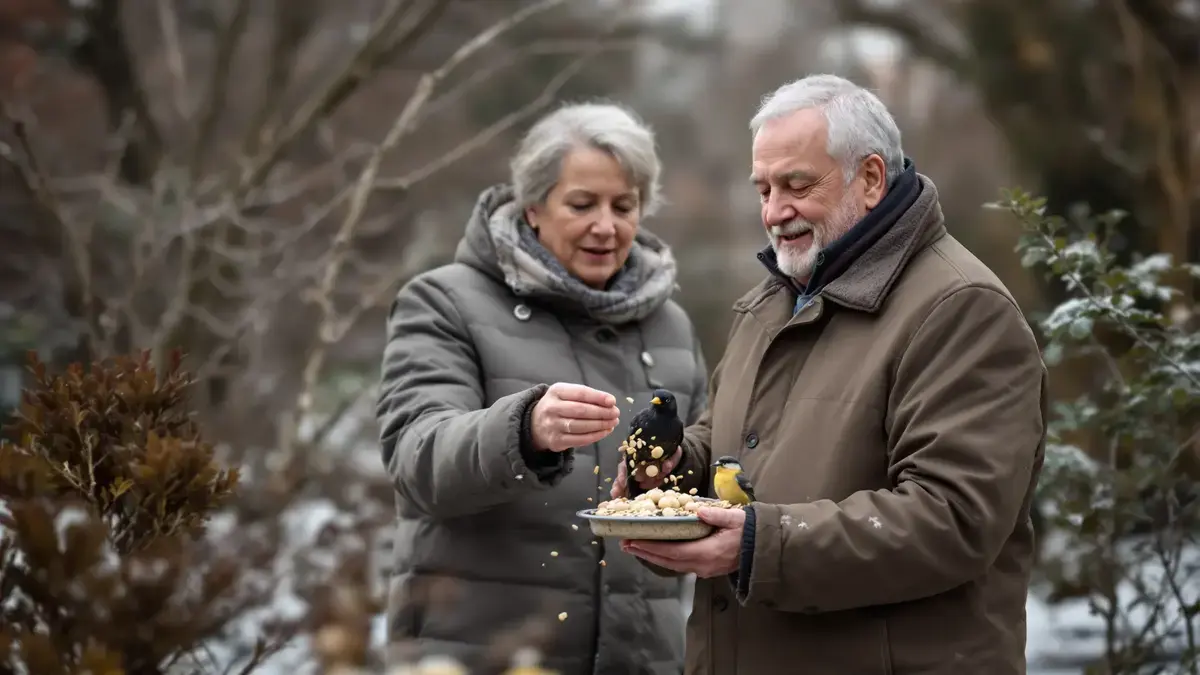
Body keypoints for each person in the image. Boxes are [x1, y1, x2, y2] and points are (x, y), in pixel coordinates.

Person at [613, 74, 1047, 674]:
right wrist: (668, 481)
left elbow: (953, 517)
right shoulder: (769, 303)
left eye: (796, 185)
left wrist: (754, 544)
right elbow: (733, 455)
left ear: (870, 179)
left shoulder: (962, 309)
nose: (773, 212)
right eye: (763, 189)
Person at [375, 101, 707, 675]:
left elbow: (701, 464)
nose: (606, 225)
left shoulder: (670, 324)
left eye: (624, 206)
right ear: (532, 208)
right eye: (582, 204)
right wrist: (522, 431)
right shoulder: (443, 302)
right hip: (483, 655)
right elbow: (417, 456)